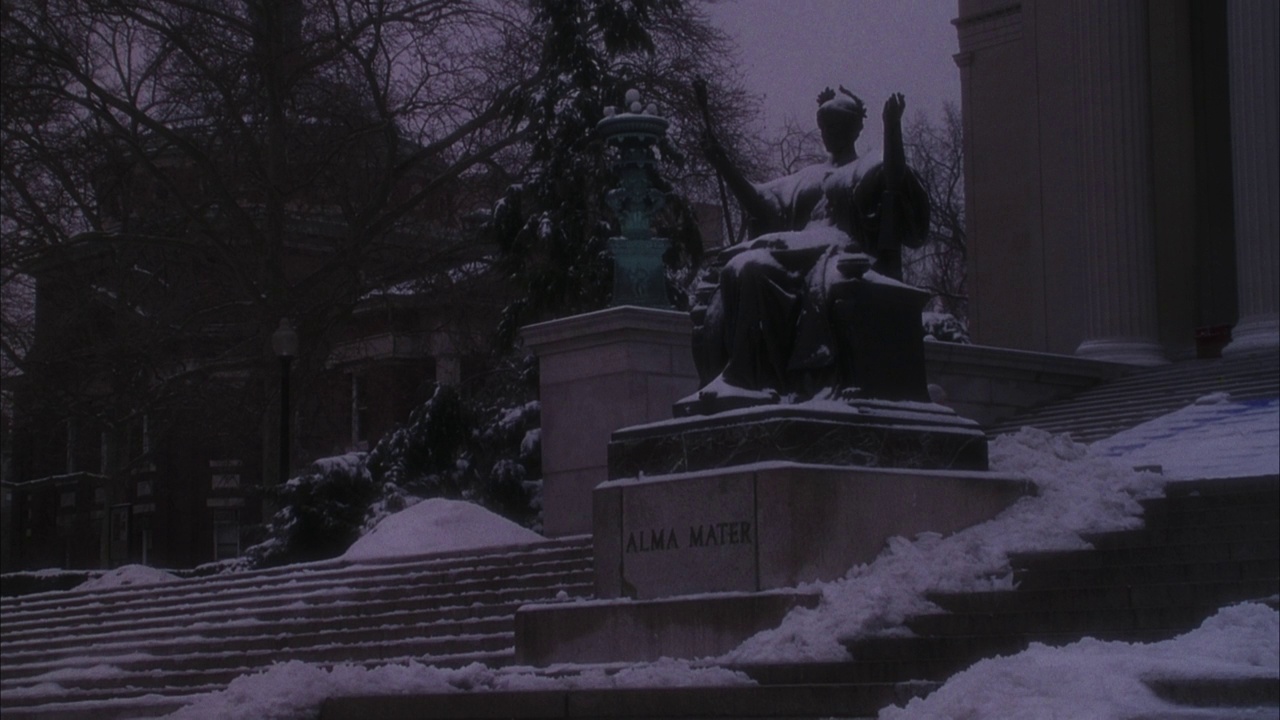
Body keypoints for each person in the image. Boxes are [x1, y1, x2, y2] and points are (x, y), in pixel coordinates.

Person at [682, 86, 931, 413]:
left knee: (755, 265)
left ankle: (750, 377)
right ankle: (744, 378)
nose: (829, 135)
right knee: (744, 266)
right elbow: (760, 202)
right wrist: (723, 162)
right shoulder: (809, 176)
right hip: (800, 249)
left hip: (841, 249)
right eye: (825, 128)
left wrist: (892, 128)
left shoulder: (868, 165)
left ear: (855, 129)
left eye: (837, 127)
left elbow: (895, 182)